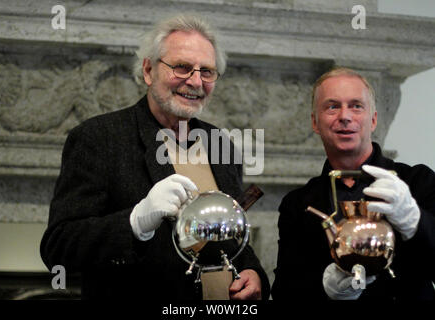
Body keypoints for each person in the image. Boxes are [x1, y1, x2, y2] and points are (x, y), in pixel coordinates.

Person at [40, 14, 270, 300]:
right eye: (182, 67)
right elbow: (58, 250)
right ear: (148, 70)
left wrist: (252, 272)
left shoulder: (221, 143)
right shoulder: (99, 138)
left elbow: (231, 234)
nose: (196, 81)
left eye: (207, 71)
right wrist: (136, 222)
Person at [272, 67, 435, 300]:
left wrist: (415, 222)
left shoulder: (419, 181)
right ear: (315, 123)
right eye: (332, 106)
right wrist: (327, 289)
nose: (345, 116)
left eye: (356, 106)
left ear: (374, 119)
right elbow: (284, 293)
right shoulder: (297, 204)